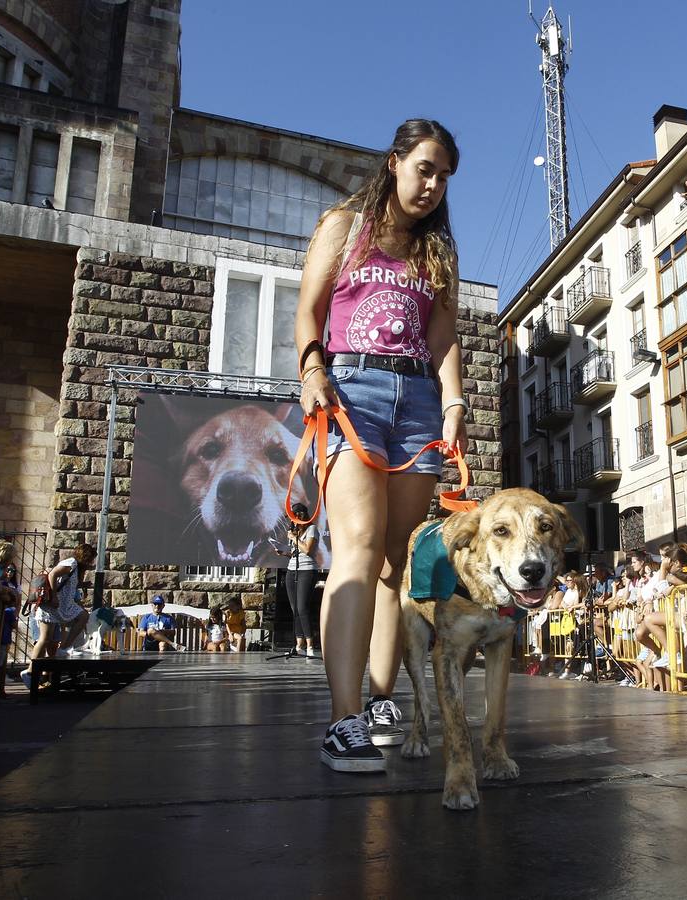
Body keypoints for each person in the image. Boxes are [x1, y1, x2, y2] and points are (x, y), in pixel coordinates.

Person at [295, 119, 465, 772]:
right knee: (359, 548)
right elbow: (309, 310)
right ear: (395, 162)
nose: (433, 184)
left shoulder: (438, 253)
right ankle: (341, 720)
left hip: (419, 400)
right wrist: (312, 372)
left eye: (444, 176)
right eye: (425, 168)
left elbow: (444, 337)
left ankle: (380, 699)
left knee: (398, 557)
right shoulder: (343, 225)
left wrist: (453, 403)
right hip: (351, 390)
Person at [281, 503, 319, 658]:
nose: (291, 521)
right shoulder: (295, 531)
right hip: (292, 571)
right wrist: (284, 553)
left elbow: (308, 550)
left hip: (307, 571)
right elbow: (296, 553)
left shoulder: (312, 529)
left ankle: (310, 645)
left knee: (302, 607)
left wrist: (294, 538)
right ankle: (299, 644)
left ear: (300, 516)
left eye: (293, 517)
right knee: (295, 608)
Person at [48, 544, 94, 656]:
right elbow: (52, 574)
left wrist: (83, 584)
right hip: (57, 603)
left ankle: (65, 647)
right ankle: (32, 669)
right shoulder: (71, 563)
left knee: (83, 616)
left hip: (66, 604)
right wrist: (53, 596)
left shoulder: (76, 567)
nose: (92, 563)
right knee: (46, 640)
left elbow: (69, 583)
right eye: (91, 559)